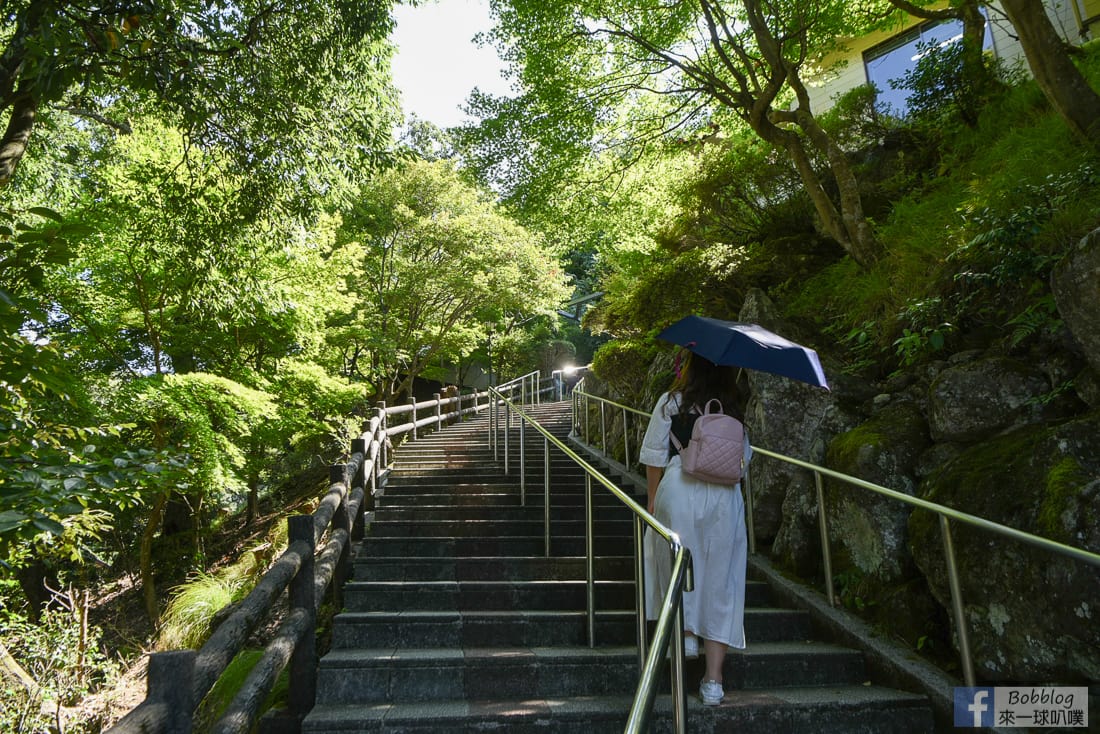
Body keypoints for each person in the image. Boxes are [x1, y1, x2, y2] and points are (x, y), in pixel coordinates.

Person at [639, 351, 751, 707]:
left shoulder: (672, 402)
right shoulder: (734, 409)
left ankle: (685, 635)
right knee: (722, 580)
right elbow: (742, 463)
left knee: (676, 565)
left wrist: (653, 500)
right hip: (724, 499)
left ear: (690, 366)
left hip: (680, 488)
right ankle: (713, 682)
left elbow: (654, 455)